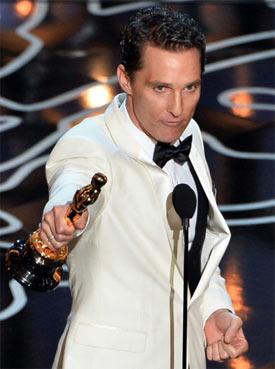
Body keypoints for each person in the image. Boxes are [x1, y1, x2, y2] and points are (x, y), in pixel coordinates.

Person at [40, 6, 248, 369]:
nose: (177, 109)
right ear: (125, 78)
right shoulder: (89, 145)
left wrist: (213, 310)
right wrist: (63, 216)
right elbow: (71, 185)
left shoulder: (191, 135)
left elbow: (192, 251)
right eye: (161, 88)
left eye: (190, 88)